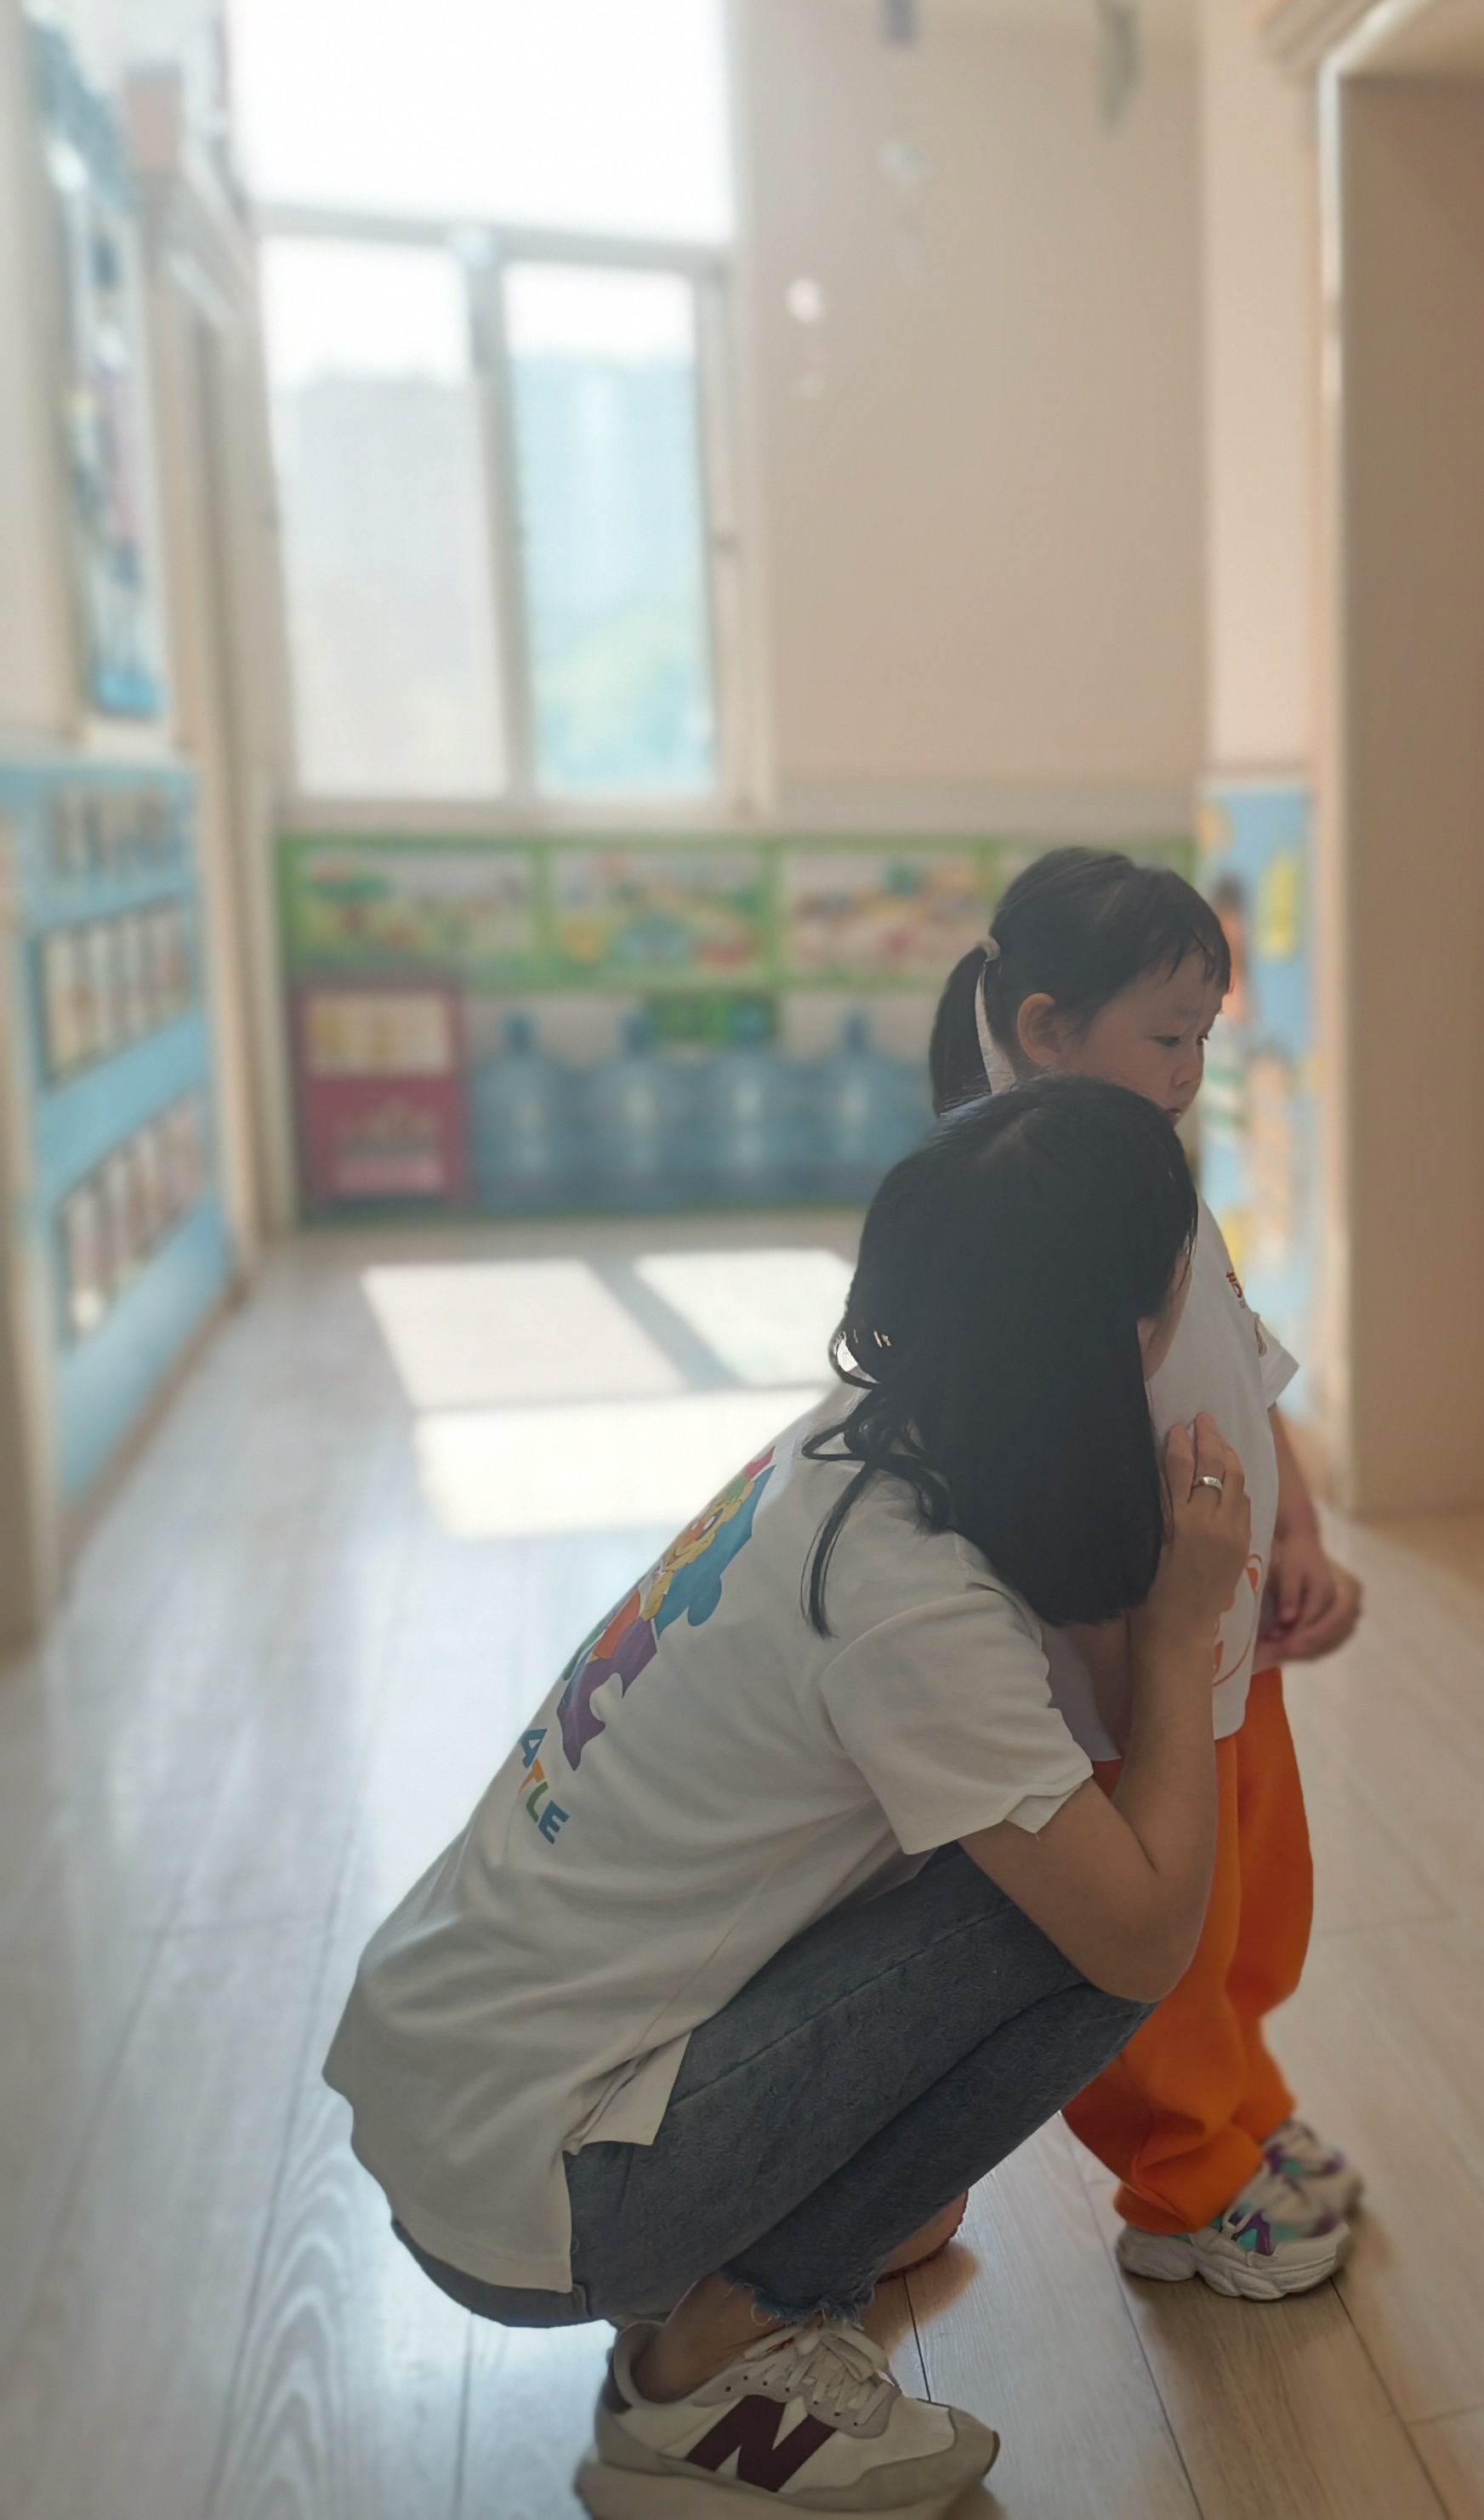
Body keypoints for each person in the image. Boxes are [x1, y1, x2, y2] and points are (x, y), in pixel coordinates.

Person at [325, 1078, 1252, 2517]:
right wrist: (1185, 1636)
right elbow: (1141, 1936)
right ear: (1145, 1319)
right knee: (1100, 1925)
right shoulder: (908, 1599)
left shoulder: (871, 1433)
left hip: (462, 2090)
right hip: (539, 2191)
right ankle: (719, 2356)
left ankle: (741, 2254)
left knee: (1054, 1867)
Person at [929, 848, 1367, 2301]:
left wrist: (1297, 1532)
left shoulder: (1147, 1167)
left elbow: (1242, 1361)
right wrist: (1139, 1669)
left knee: (1253, 1911)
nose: (1192, 1071)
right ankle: (1185, 2183)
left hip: (1220, 1645)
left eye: (1204, 1038)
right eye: (1169, 1037)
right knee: (1162, 1950)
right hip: (1128, 1679)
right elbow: (1044, 1474)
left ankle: (1242, 2105)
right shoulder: (1021, 1209)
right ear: (1047, 1028)